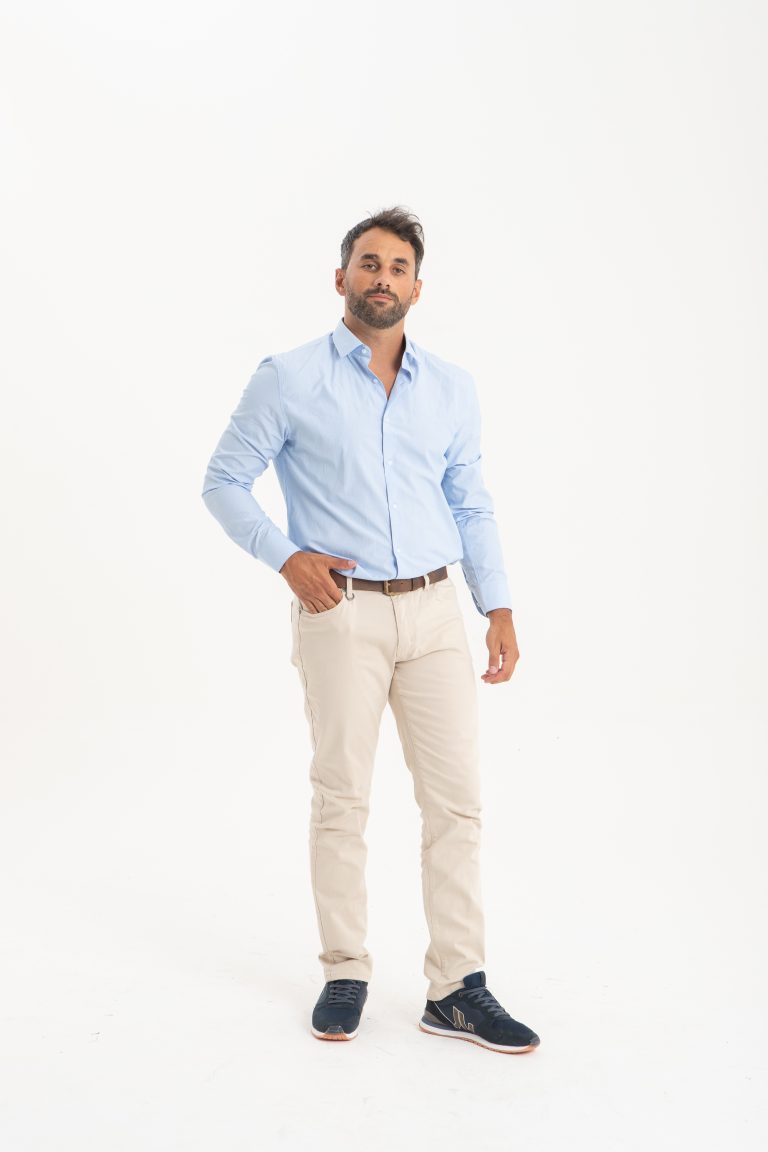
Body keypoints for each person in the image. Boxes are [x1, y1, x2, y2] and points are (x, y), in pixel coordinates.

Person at [201, 207, 540, 1054]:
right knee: (343, 795)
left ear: (417, 288)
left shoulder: (452, 388)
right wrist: (286, 558)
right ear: (341, 277)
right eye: (368, 262)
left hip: (434, 610)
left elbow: (470, 501)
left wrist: (496, 605)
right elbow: (224, 481)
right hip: (340, 612)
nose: (382, 277)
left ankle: (456, 987)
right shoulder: (288, 378)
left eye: (397, 267)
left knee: (455, 802)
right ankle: (345, 970)